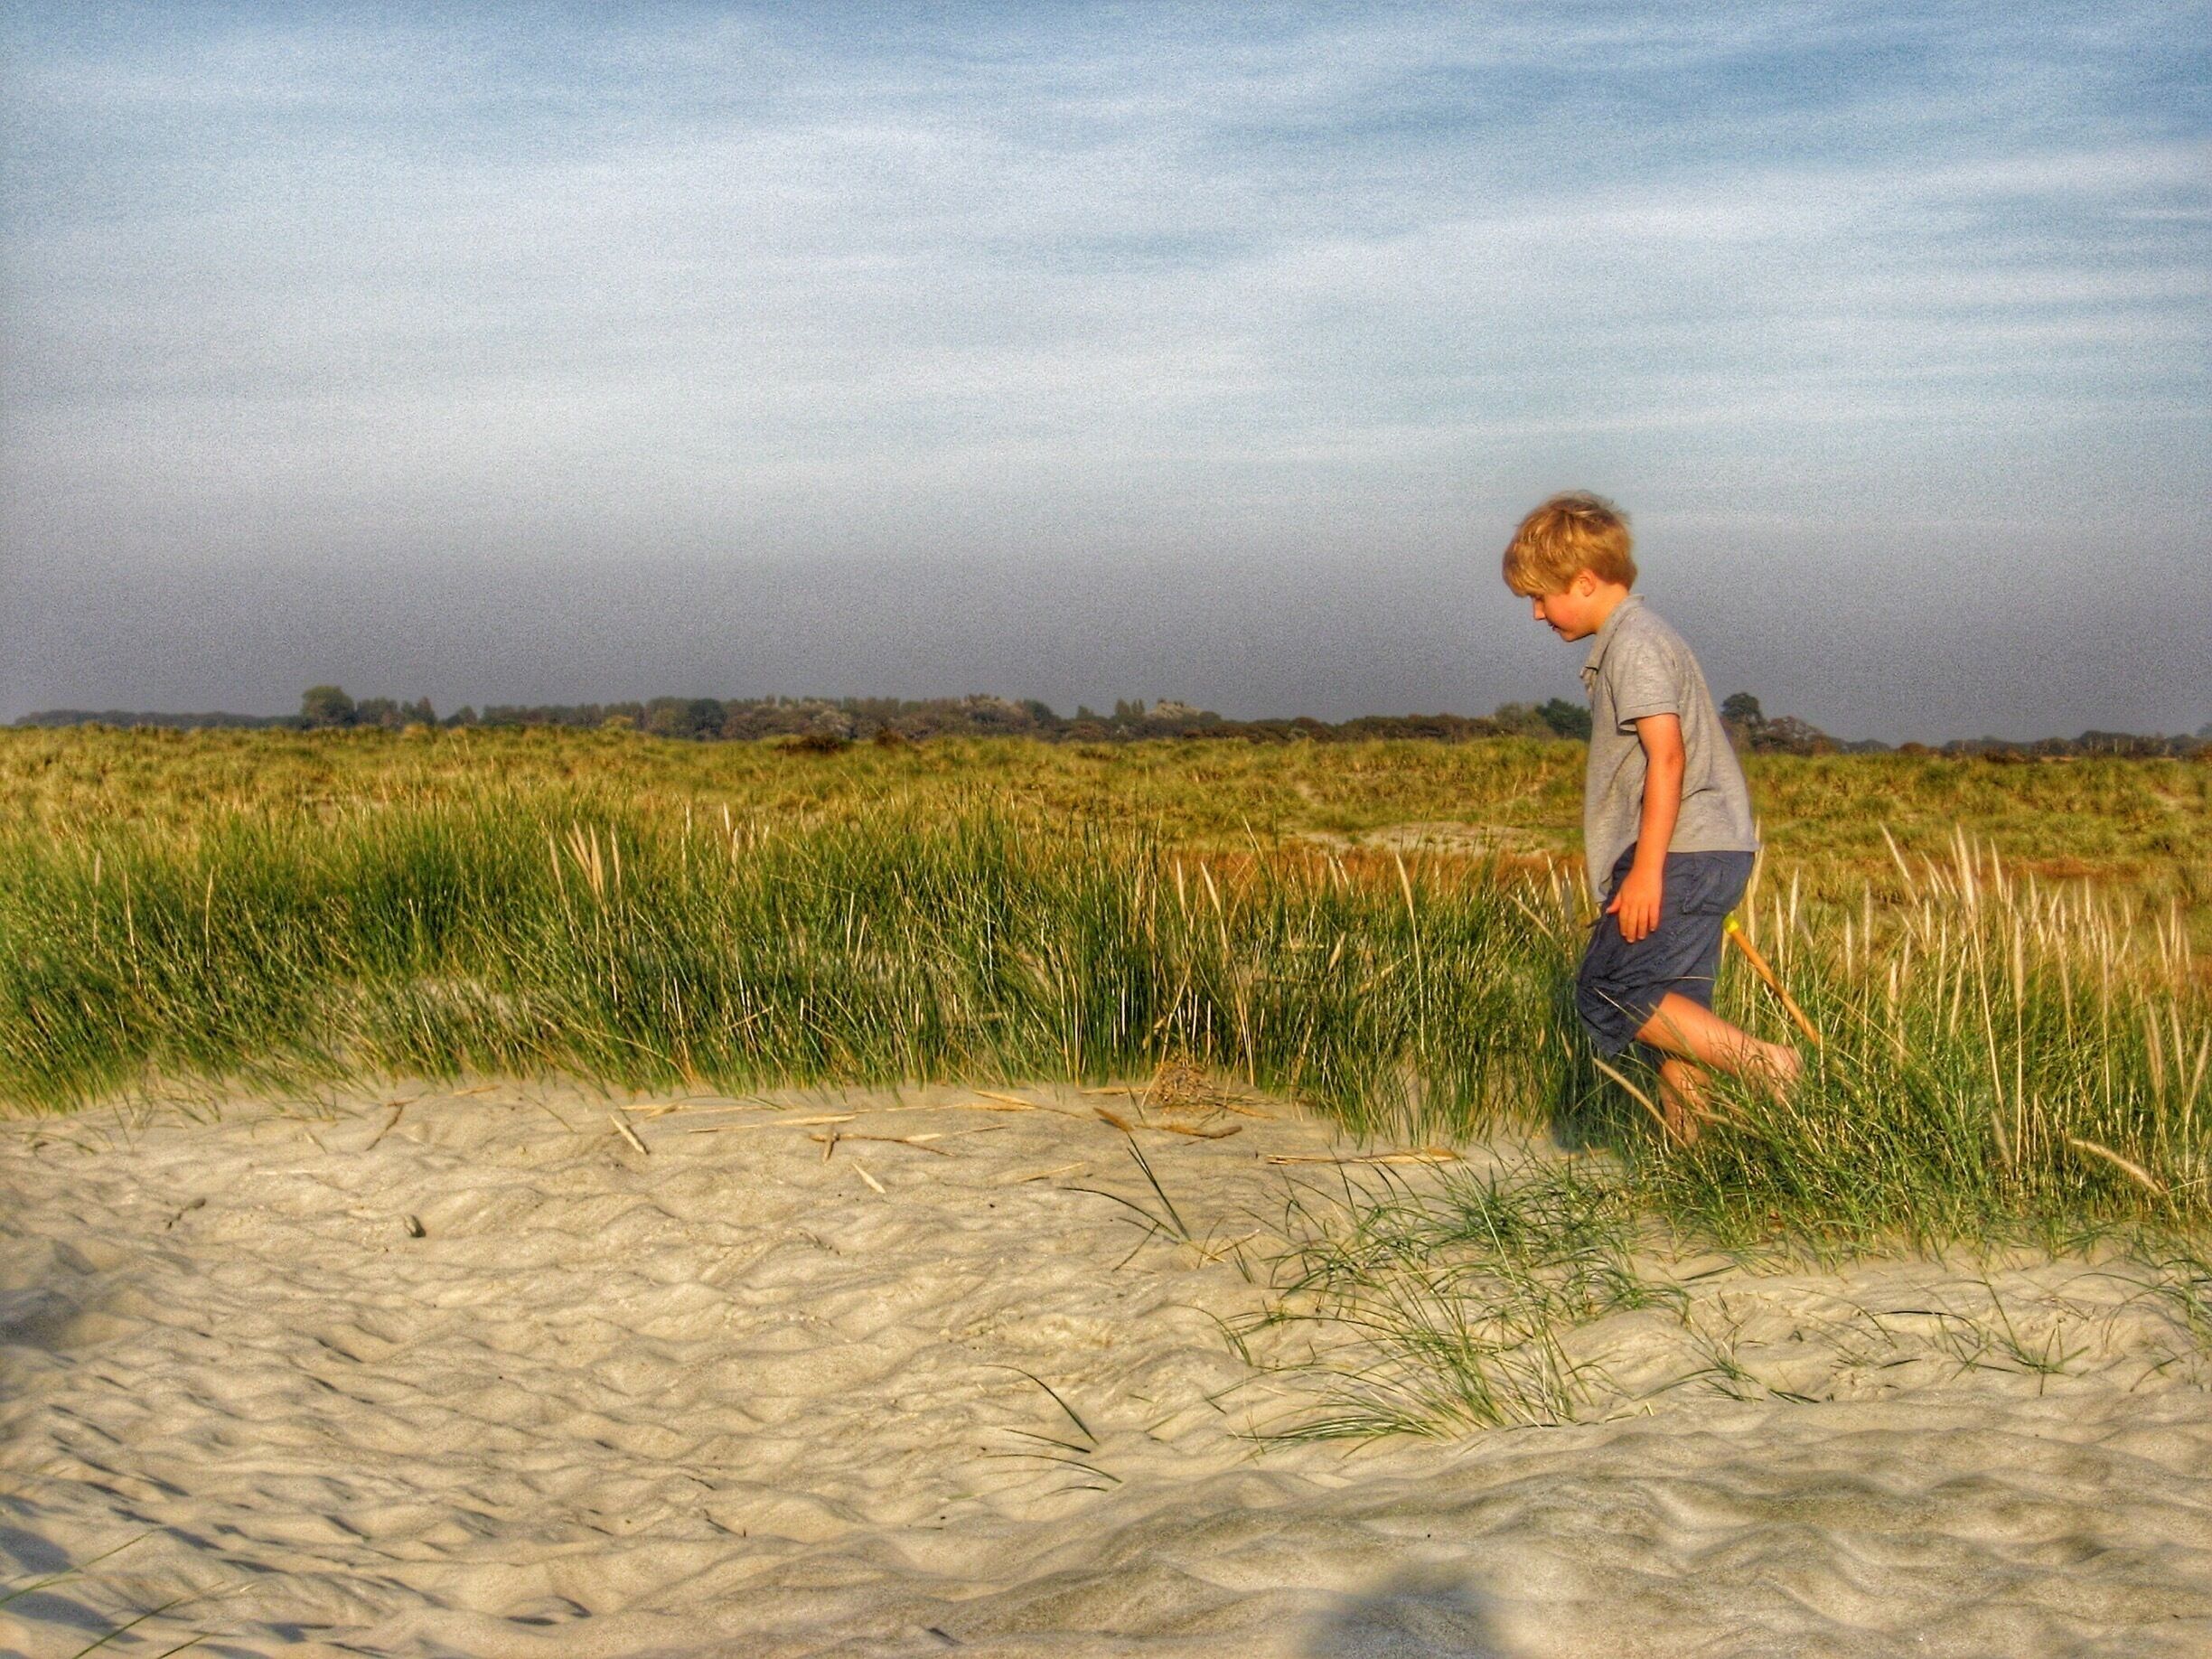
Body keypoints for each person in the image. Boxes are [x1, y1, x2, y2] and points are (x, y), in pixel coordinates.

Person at [1502, 492, 1800, 1140]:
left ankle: (1771, 1066)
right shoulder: (1637, 639)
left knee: (1607, 990)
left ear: (1583, 582)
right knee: (1681, 1019)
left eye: (1542, 597)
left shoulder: (1633, 645)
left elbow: (1668, 758)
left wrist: (1645, 874)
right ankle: (1688, 1165)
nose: (1535, 613)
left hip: (1680, 852)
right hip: (1711, 848)